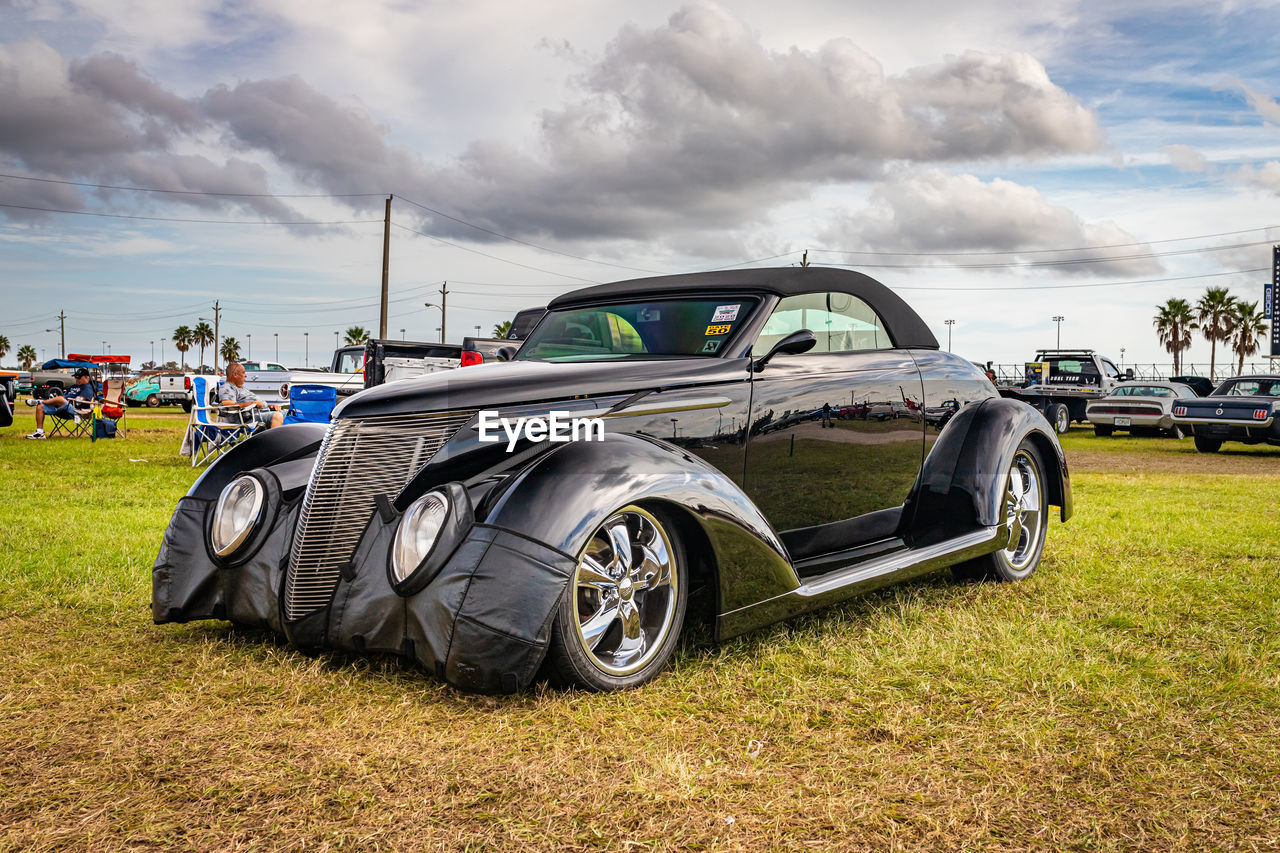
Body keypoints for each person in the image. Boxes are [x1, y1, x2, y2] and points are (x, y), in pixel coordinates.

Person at [25, 368, 96, 439]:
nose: (77, 379)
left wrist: (68, 400)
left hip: (75, 409)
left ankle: (40, 401)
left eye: (79, 377)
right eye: (76, 377)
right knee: (40, 407)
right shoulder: (73, 386)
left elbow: (80, 400)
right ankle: (39, 432)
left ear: (87, 377)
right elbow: (65, 395)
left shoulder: (88, 388)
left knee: (60, 399)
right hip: (62, 406)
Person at [218, 362, 284, 430]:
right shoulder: (227, 387)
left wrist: (269, 406)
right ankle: (273, 440)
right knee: (277, 416)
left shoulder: (241, 388)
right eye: (243, 372)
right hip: (248, 419)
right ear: (235, 374)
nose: (246, 375)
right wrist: (253, 404)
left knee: (290, 414)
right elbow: (227, 404)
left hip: (261, 413)